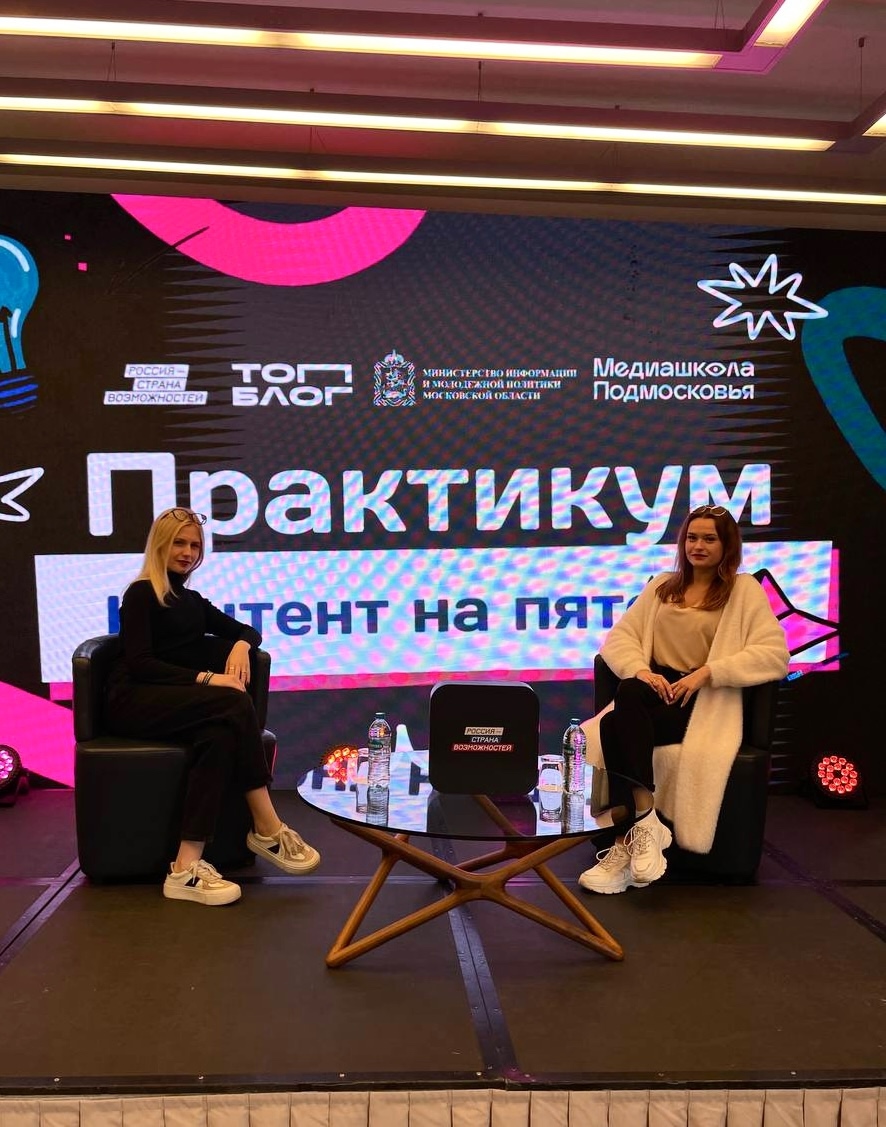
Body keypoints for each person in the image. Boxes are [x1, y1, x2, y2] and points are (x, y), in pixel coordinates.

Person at [104, 507, 320, 907]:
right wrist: (208, 678)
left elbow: (247, 631)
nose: (187, 552)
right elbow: (141, 664)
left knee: (220, 734)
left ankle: (185, 868)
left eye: (194, 545)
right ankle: (267, 826)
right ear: (160, 545)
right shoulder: (141, 593)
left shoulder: (191, 600)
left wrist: (240, 646)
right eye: (179, 543)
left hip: (173, 702)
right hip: (132, 700)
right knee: (232, 699)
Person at [578, 505, 788, 895]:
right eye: (692, 537)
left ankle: (624, 843)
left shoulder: (743, 590)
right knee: (628, 690)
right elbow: (619, 639)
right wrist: (641, 670)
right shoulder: (662, 585)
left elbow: (774, 655)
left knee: (612, 725)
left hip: (704, 699)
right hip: (657, 689)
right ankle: (645, 820)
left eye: (709, 539)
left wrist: (709, 672)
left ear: (726, 545)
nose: (698, 546)